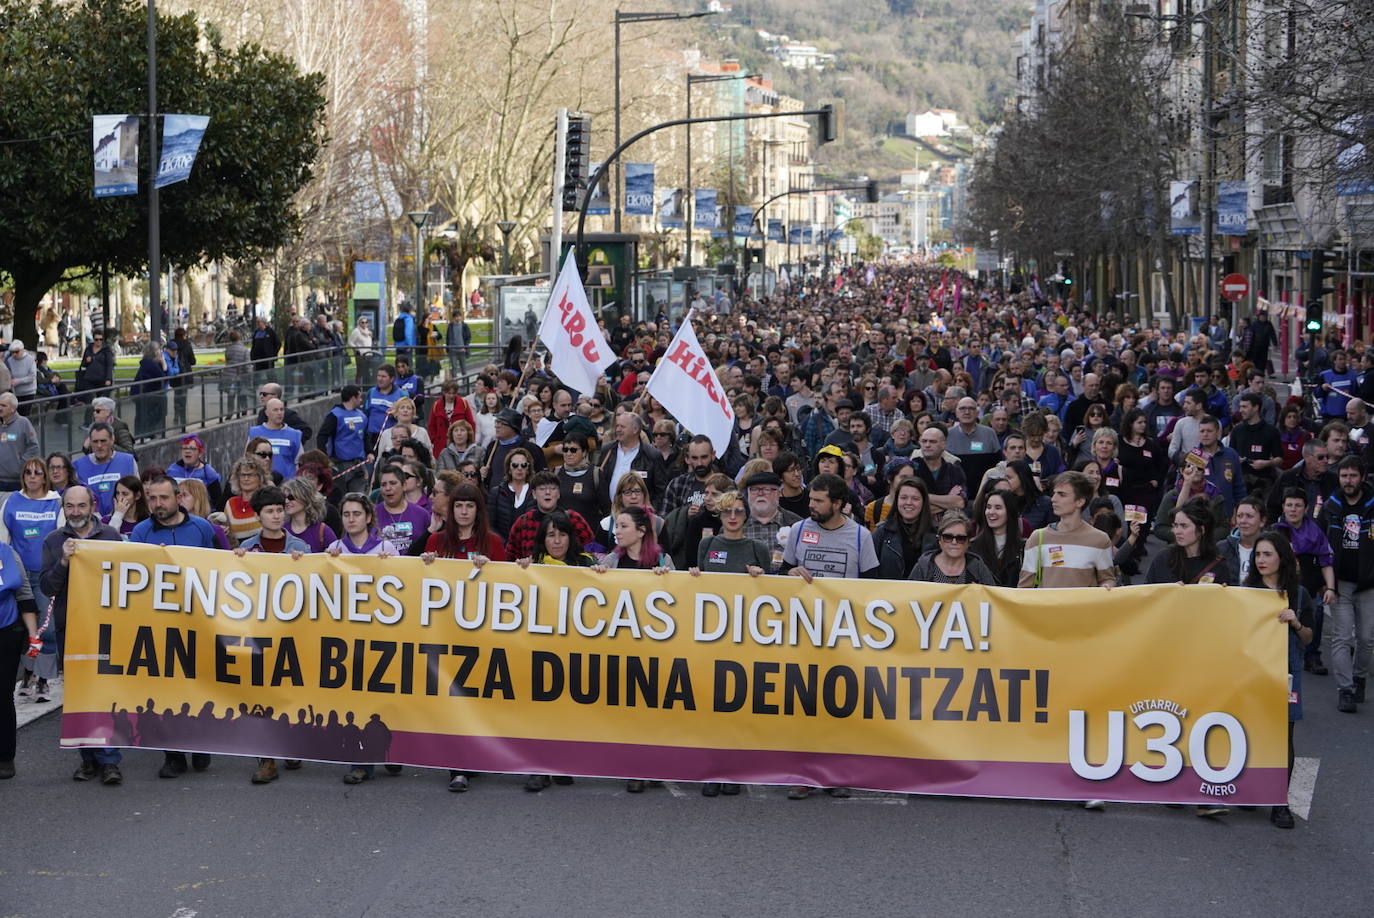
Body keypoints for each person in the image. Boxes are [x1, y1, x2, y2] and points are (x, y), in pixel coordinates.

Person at [128, 475, 219, 779]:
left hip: (199, 623)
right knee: (166, 690)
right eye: (152, 499)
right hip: (159, 625)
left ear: (178, 497)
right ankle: (173, 755)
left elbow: (223, 567)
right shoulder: (141, 532)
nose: (157, 504)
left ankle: (202, 741)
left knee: (199, 685)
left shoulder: (202, 528)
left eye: (163, 498)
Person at [1243, 530, 1314, 829]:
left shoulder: (1298, 594)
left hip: (1287, 673)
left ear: (1282, 558)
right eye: (1258, 554)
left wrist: (1295, 621)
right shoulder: (1246, 592)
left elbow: (1309, 638)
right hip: (1254, 672)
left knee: (1283, 735)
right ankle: (1249, 791)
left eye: (1267, 554)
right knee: (1252, 731)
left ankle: (1279, 802)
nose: (1261, 560)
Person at [1317, 455, 1374, 713]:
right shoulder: (1331, 506)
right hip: (1339, 583)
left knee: (1365, 639)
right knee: (1342, 637)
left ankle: (1360, 677)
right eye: (1343, 476)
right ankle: (1346, 689)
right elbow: (1317, 542)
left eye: (1352, 476)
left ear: (1362, 477)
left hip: (1369, 583)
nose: (1348, 481)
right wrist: (1323, 580)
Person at [507, 471, 596, 560]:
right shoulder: (523, 522)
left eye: (553, 488)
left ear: (558, 493)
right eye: (542, 489)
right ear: (534, 494)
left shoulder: (573, 519)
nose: (548, 492)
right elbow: (510, 557)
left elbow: (592, 552)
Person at [907, 511, 998, 584]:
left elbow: (992, 599)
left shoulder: (978, 567)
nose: (954, 542)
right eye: (948, 537)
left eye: (960, 538)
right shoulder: (924, 566)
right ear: (939, 539)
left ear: (968, 542)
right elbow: (909, 597)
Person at [71, 421, 137, 517]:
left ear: (112, 440)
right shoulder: (79, 466)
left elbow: (138, 493)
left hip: (125, 520)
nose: (99, 446)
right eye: (95, 441)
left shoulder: (128, 461)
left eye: (103, 441)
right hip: (91, 523)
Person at [317, 385, 369, 493]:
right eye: (359, 397)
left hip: (358, 463)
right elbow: (322, 436)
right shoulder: (335, 415)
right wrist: (324, 457)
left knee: (358, 495)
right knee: (339, 495)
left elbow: (365, 436)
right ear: (353, 398)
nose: (361, 400)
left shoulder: (362, 416)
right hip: (340, 463)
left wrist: (370, 452)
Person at [969, 489, 1024, 587]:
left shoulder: (1023, 548)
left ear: (1010, 511)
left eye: (998, 508)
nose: (991, 512)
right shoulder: (972, 547)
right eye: (988, 507)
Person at [373, 464, 430, 555]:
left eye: (393, 483)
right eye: (383, 484)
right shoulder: (372, 515)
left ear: (404, 485)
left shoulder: (422, 515)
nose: (388, 488)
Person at [247, 398, 303, 481]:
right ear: (267, 413)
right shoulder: (255, 433)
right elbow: (247, 459)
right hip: (261, 483)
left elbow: (299, 462)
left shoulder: (294, 435)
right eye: (275, 410)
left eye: (281, 409)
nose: (279, 413)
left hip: (287, 486)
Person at [283, 476, 337, 553]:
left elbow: (337, 559)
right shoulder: (281, 530)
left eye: (291, 497)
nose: (286, 501)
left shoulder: (323, 531)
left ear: (305, 499)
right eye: (284, 497)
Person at [166, 435, 224, 507]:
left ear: (200, 453)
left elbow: (218, 500)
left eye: (192, 448)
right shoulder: (173, 470)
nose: (187, 451)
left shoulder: (208, 472)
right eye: (184, 448)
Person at [225, 456, 270, 543]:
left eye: (250, 475)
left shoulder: (267, 502)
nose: (246, 479)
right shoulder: (230, 504)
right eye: (242, 475)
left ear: (260, 478)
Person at [427, 378, 477, 448]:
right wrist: (434, 440)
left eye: (454, 393)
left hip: (461, 443)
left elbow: (471, 423)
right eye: (449, 393)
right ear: (444, 392)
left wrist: (469, 440)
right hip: (441, 445)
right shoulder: (436, 405)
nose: (451, 396)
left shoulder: (463, 403)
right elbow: (431, 425)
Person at [75, 329, 115, 400]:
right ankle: (90, 410)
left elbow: (109, 365)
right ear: (93, 339)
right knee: (90, 401)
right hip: (89, 379)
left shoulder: (106, 350)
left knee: (102, 401)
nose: (99, 341)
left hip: (102, 380)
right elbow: (83, 364)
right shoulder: (88, 349)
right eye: (96, 339)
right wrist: (87, 361)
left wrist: (108, 379)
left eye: (101, 339)